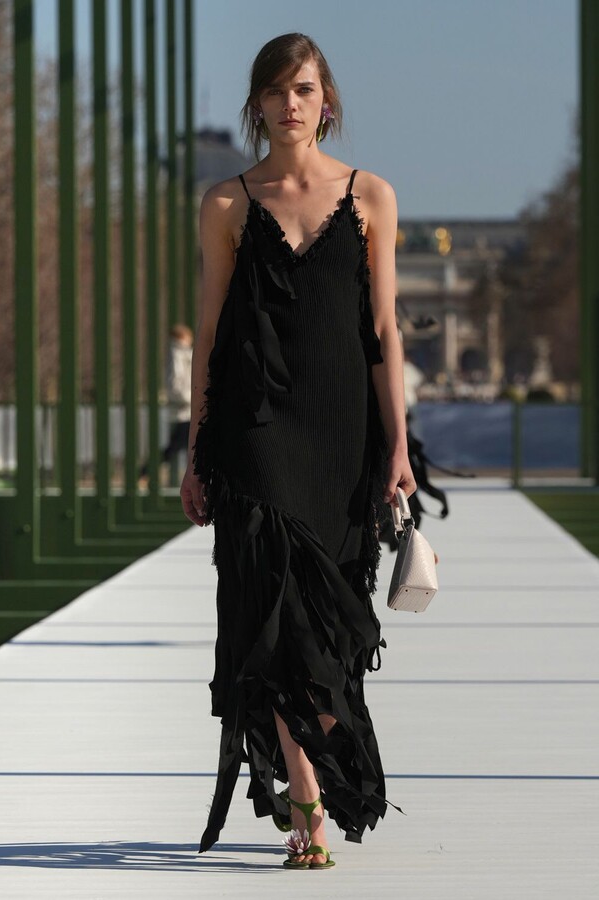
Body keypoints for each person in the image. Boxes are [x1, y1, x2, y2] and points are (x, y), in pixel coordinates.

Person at [179, 32, 416, 870]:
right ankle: (308, 801)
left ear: (327, 102)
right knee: (272, 616)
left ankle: (318, 769)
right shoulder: (226, 203)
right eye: (276, 91)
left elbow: (383, 329)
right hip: (255, 433)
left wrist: (398, 445)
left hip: (343, 434)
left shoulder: (372, 196)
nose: (290, 105)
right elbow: (211, 332)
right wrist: (197, 446)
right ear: (256, 104)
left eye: (304, 89)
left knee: (330, 629)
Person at [139, 324, 193, 481]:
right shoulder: (178, 355)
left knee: (175, 448)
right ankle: (143, 473)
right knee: (174, 448)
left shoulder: (182, 354)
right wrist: (191, 398)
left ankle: (143, 473)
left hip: (186, 410)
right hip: (186, 410)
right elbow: (175, 385)